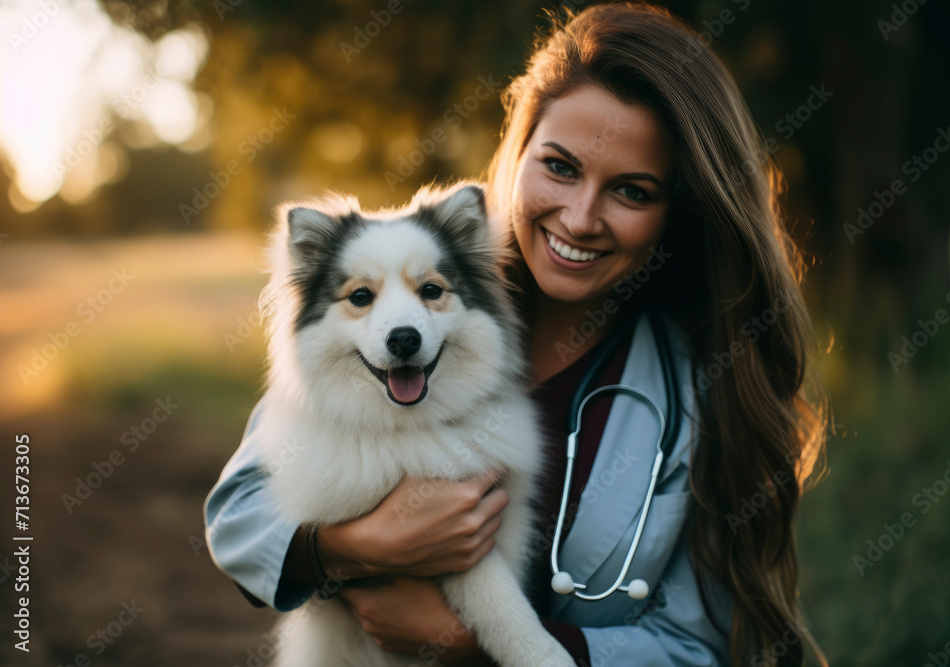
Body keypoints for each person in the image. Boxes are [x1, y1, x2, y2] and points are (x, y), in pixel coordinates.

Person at [203, 2, 831, 665]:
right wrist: (356, 547)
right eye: (560, 167)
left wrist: (475, 645)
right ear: (519, 151)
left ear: (679, 210)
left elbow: (695, 648)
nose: (581, 218)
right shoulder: (408, 290)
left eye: (633, 191)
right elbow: (241, 512)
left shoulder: (704, 388)